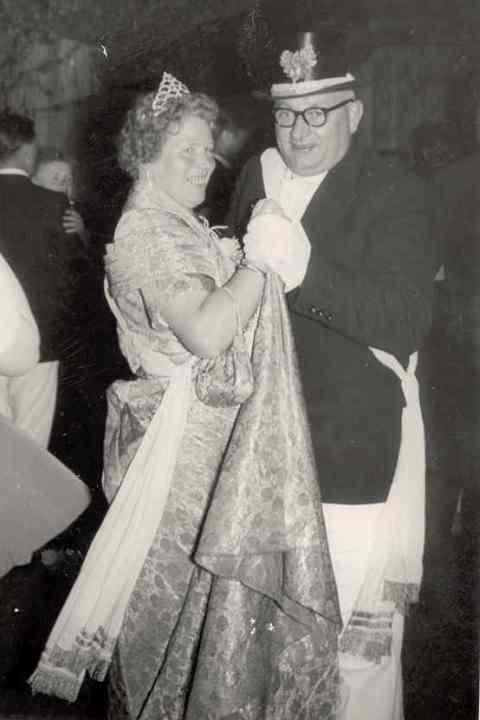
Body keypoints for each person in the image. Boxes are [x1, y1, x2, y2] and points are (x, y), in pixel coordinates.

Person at [29, 72, 341, 719]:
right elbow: (205, 331)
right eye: (188, 151)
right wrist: (258, 262)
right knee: (173, 622)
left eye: (208, 149)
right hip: (179, 457)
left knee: (199, 625)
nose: (206, 163)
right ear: (146, 155)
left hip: (203, 444)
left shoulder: (178, 221)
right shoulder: (147, 230)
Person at [227, 31, 441, 720]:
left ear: (355, 114)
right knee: (266, 646)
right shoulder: (255, 178)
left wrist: (305, 271)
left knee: (355, 654)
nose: (300, 131)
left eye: (318, 113)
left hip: (348, 455)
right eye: (287, 114)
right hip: (259, 455)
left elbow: (405, 319)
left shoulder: (398, 191)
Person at [0, 252, 90, 579]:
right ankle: (18, 549)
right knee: (26, 450)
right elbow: (19, 351)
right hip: (33, 341)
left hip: (39, 336)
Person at [0, 112, 74, 447]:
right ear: (29, 151)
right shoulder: (53, 204)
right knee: (31, 448)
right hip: (42, 341)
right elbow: (70, 277)